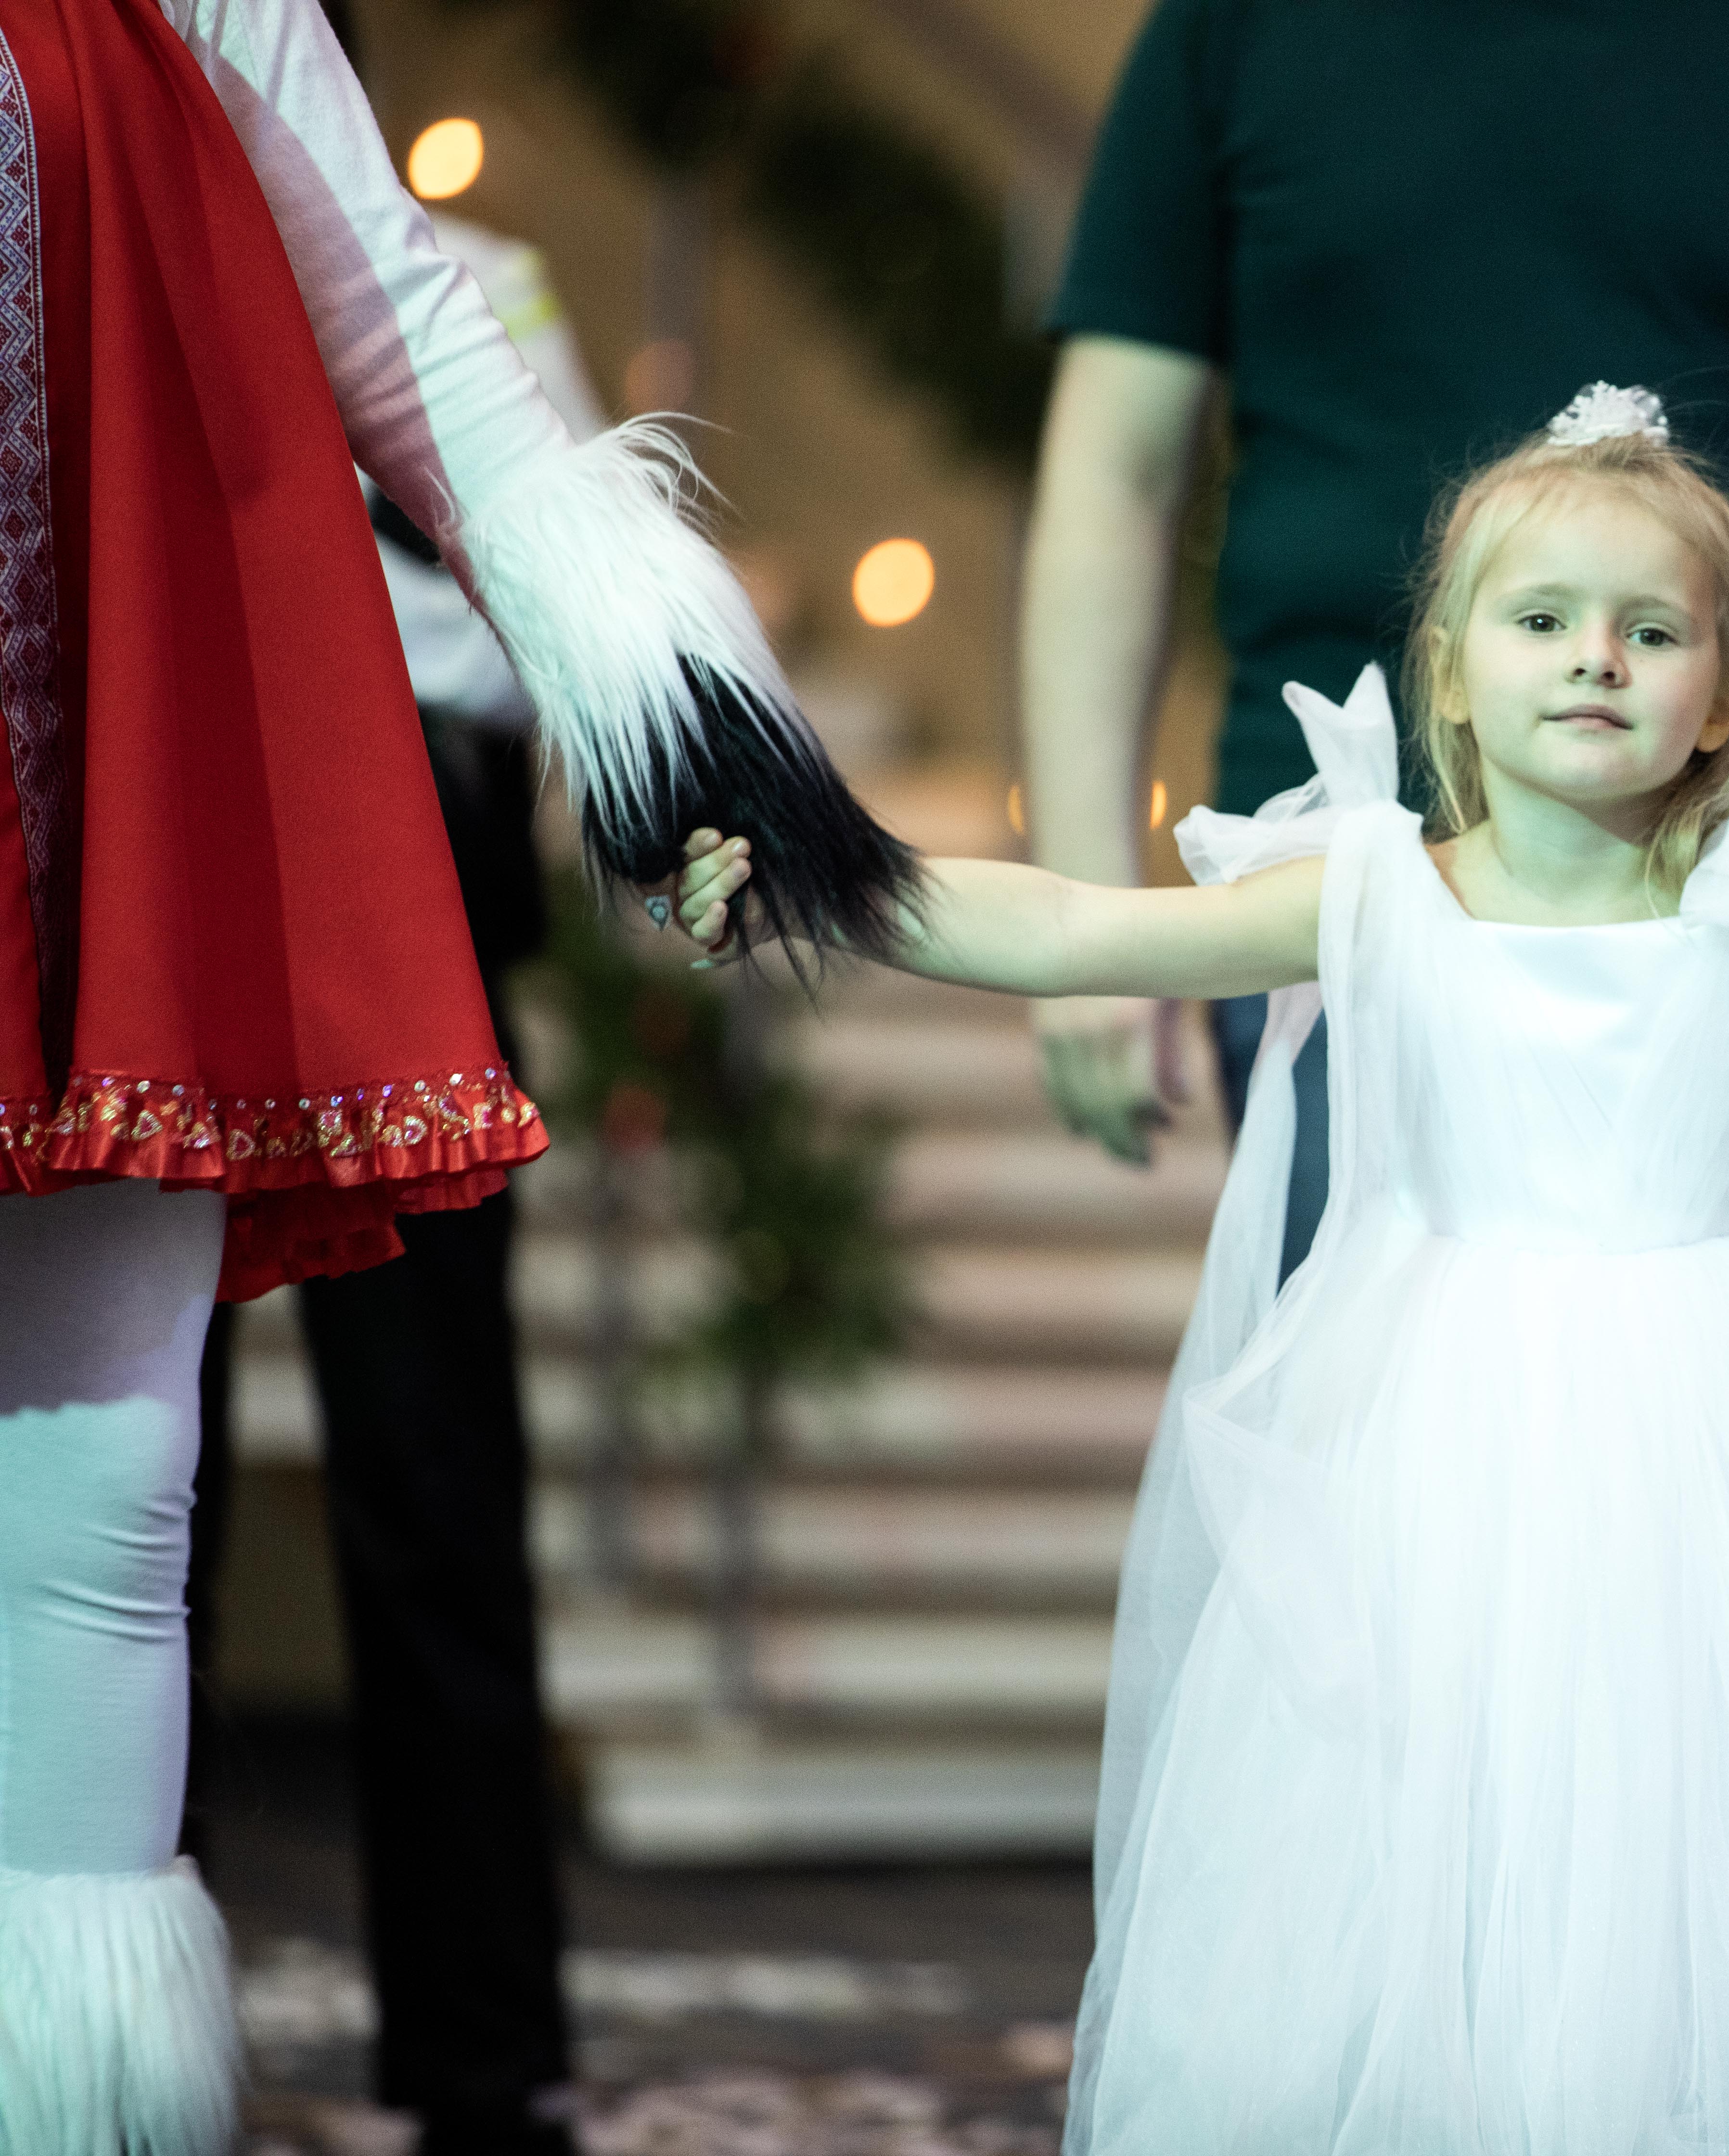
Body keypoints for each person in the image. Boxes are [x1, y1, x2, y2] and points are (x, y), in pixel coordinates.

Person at [673, 392, 1729, 2150]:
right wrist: (831, 886)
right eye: (1544, 620)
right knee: (1457, 1874)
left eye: (1652, 631)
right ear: (1452, 670)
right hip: (1451, 1444)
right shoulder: (1376, 885)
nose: (1596, 660)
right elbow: (1073, 925)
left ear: (1725, 693)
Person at [0, 0, 913, 2146]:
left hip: (100, 828)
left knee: (101, 1511)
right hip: (109, 810)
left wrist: (677, 721)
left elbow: (411, 330)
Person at [1018, 0, 1729, 1233]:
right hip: (1340, 872)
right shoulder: (1231, 25)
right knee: (1377, 1349)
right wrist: (1085, 886)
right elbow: (1113, 477)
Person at [189, 191, 608, 2152]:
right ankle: (106, 2024)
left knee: (435, 1476)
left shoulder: (469, 273)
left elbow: (564, 597)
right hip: (170, 827)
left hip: (404, 855)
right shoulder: (105, 221)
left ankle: (485, 2060)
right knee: (132, 1482)